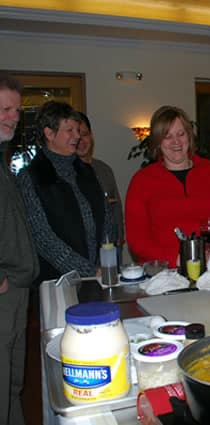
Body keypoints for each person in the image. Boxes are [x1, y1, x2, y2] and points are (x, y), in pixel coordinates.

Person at [126, 106, 210, 268]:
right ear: (158, 141)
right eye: (168, 136)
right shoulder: (141, 181)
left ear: (189, 136)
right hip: (164, 272)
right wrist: (176, 259)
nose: (176, 142)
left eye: (181, 134)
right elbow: (137, 241)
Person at [17, 101, 114, 284]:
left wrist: (105, 263)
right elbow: (43, 239)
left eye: (78, 130)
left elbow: (108, 219)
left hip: (98, 276)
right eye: (70, 130)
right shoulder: (31, 177)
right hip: (57, 281)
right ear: (49, 133)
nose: (77, 136)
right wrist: (88, 271)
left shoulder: (87, 171)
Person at [0, 74, 40, 425]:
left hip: (16, 289)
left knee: (12, 383)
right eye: (4, 108)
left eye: (15, 109)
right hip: (4, 289)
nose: (12, 116)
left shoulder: (2, 156)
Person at [75, 111, 125, 250]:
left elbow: (117, 207)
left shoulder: (104, 169)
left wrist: (119, 236)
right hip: (84, 247)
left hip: (111, 245)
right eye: (76, 136)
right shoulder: (67, 173)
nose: (81, 141)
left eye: (84, 134)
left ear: (91, 135)